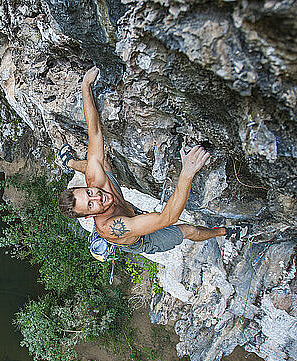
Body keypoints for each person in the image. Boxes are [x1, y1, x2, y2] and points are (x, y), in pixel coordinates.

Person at [58, 66, 246, 254]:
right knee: (189, 230)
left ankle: (70, 163)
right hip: (141, 239)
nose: (97, 196)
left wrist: (85, 86)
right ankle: (226, 232)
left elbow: (95, 131)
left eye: (89, 193)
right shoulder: (113, 227)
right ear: (88, 217)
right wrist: (187, 172)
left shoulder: (95, 180)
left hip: (129, 213)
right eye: (91, 205)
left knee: (101, 163)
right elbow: (169, 217)